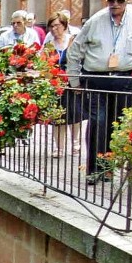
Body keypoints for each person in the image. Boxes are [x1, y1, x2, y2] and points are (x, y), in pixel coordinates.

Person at [65, 0, 132, 184]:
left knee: (117, 126)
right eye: (110, 0)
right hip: (97, 78)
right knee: (98, 122)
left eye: (119, 1)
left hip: (124, 79)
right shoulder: (96, 20)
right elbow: (75, 51)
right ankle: (93, 169)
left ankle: (107, 169)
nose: (114, 5)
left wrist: (131, 60)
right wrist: (74, 81)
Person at [44, 12, 85, 158]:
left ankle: (76, 144)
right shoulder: (48, 45)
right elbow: (43, 64)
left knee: (75, 116)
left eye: (57, 25)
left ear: (64, 25)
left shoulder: (73, 40)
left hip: (72, 83)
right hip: (56, 85)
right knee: (58, 118)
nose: (54, 29)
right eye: (51, 26)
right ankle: (59, 148)